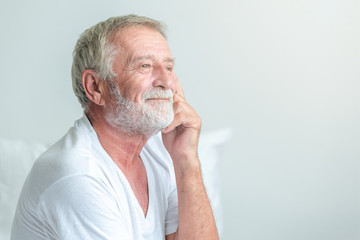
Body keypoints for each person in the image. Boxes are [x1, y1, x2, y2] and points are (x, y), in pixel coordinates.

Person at [11, 14, 218, 240]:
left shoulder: (160, 152)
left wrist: (186, 159)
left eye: (168, 67)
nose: (167, 83)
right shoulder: (77, 172)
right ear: (95, 87)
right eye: (145, 65)